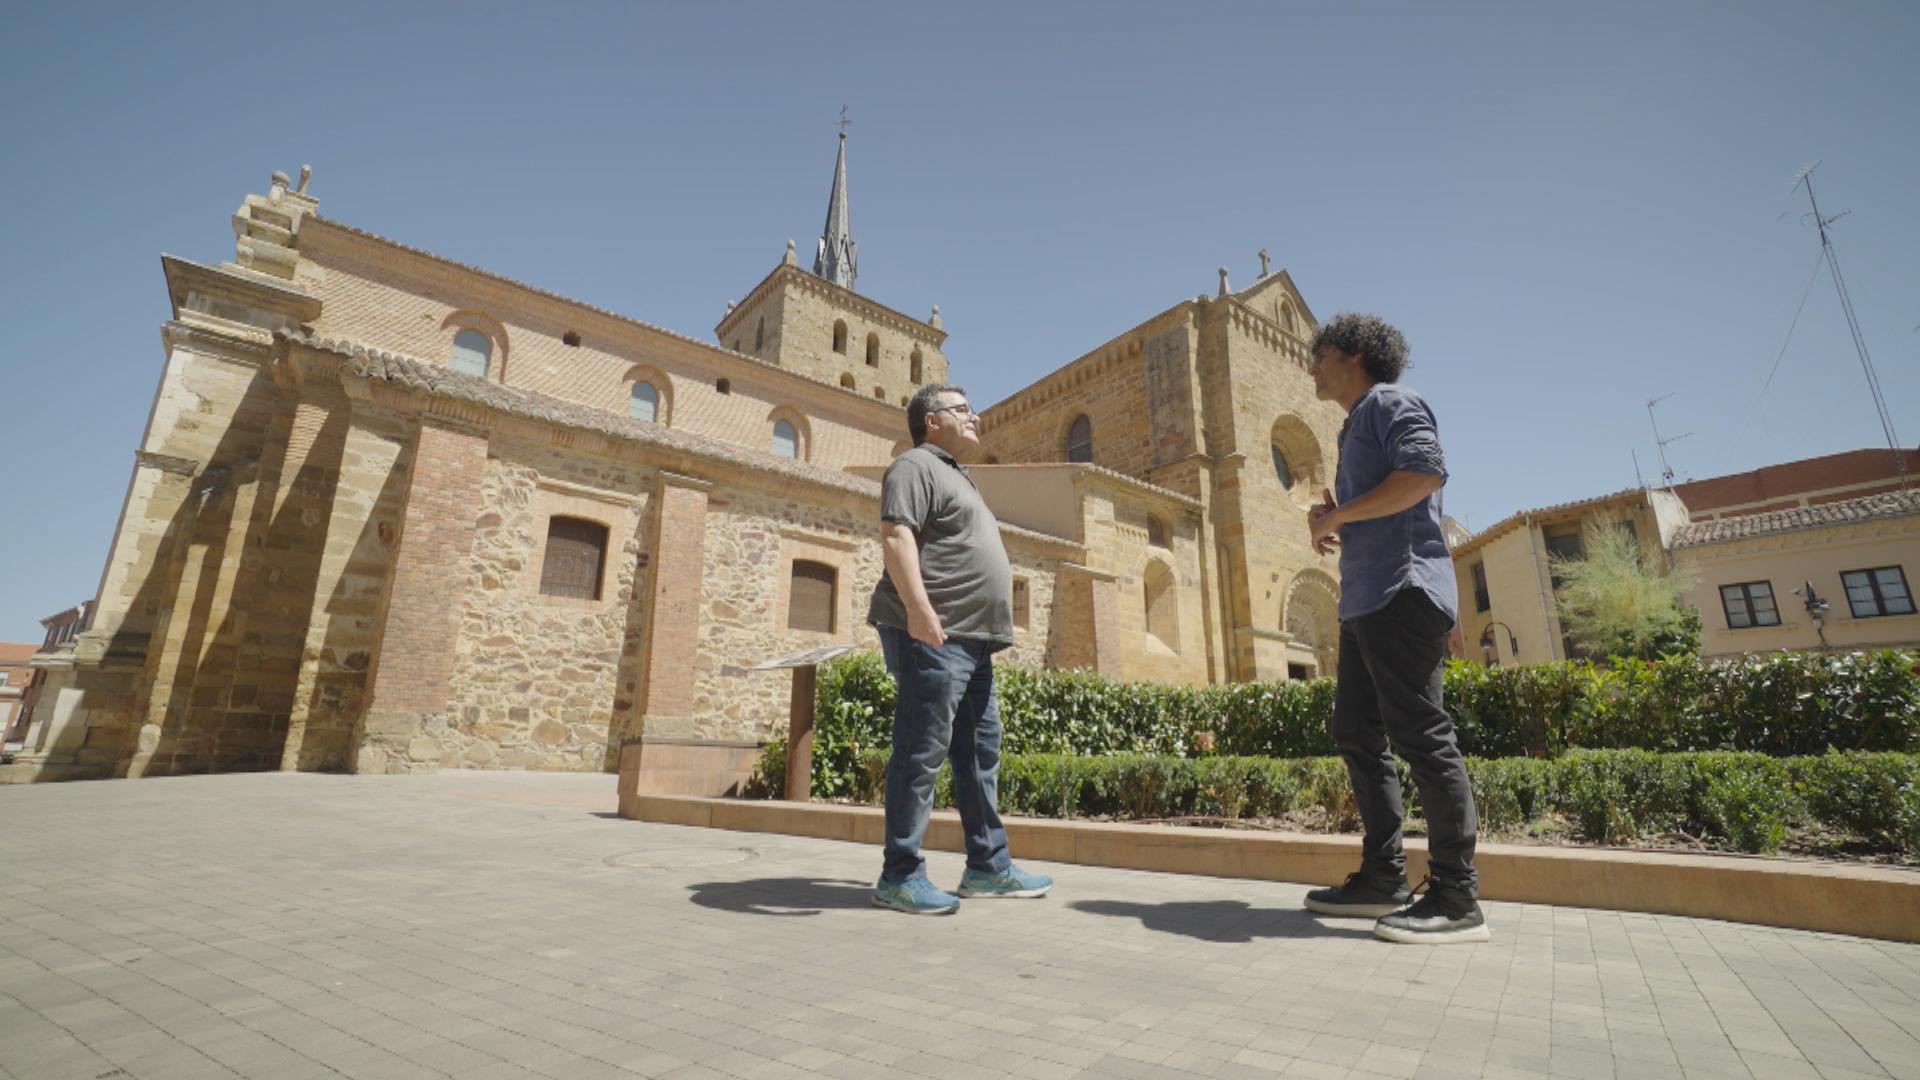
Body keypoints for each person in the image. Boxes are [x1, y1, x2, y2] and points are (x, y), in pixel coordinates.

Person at [1301, 313, 1488, 945]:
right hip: (1364, 600)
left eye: (1321, 354)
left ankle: (1457, 896)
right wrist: (1339, 516)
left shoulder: (1390, 401)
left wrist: (1340, 516)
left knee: (1422, 737)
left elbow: (1423, 476)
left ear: (1354, 355)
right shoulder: (1355, 423)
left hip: (1401, 592)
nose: (1311, 366)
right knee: (1356, 732)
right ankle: (1384, 877)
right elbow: (1387, 502)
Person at [865, 384, 1053, 914]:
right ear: (931, 420)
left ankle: (987, 867)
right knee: (920, 749)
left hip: (972, 640)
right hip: (934, 633)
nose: (976, 416)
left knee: (978, 752)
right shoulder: (914, 466)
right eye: (963, 409)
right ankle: (899, 875)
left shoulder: (957, 475)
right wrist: (920, 610)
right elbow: (896, 535)